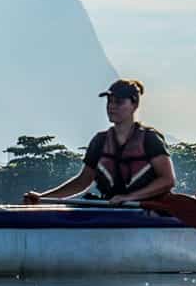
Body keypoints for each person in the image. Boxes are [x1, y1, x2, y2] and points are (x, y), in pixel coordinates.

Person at [22, 78, 176, 204]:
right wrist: (43, 198)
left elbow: (167, 180)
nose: (112, 107)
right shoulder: (100, 141)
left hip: (145, 212)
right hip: (112, 210)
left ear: (134, 104)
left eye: (119, 102)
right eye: (110, 101)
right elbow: (83, 181)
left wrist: (128, 198)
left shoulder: (150, 139)